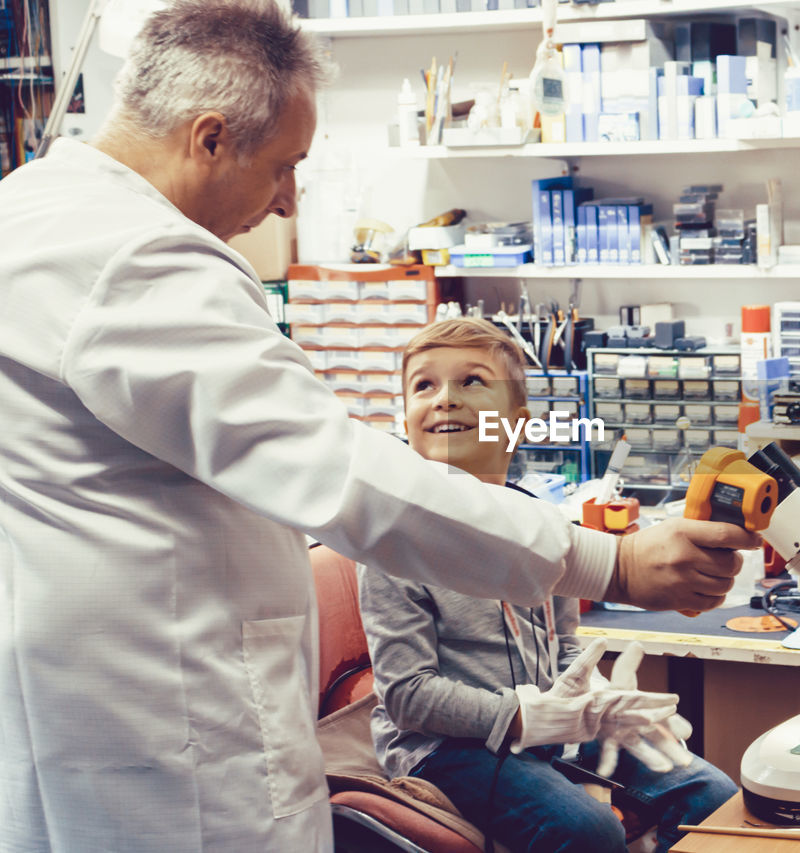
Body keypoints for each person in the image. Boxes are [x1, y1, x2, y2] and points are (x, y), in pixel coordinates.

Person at [0, 2, 757, 850]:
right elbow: (338, 472)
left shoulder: (30, 214)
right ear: (209, 138)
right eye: (285, 167)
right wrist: (606, 557)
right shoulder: (133, 260)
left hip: (101, 715)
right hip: (175, 751)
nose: (288, 202)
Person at [359, 319, 738, 853]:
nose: (444, 399)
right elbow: (406, 696)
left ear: (517, 423)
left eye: (471, 381)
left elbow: (563, 646)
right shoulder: (392, 541)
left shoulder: (542, 524)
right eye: (424, 385)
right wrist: (521, 717)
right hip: (446, 747)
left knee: (709, 795)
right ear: (406, 419)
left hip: (547, 724)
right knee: (586, 830)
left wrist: (589, 700)